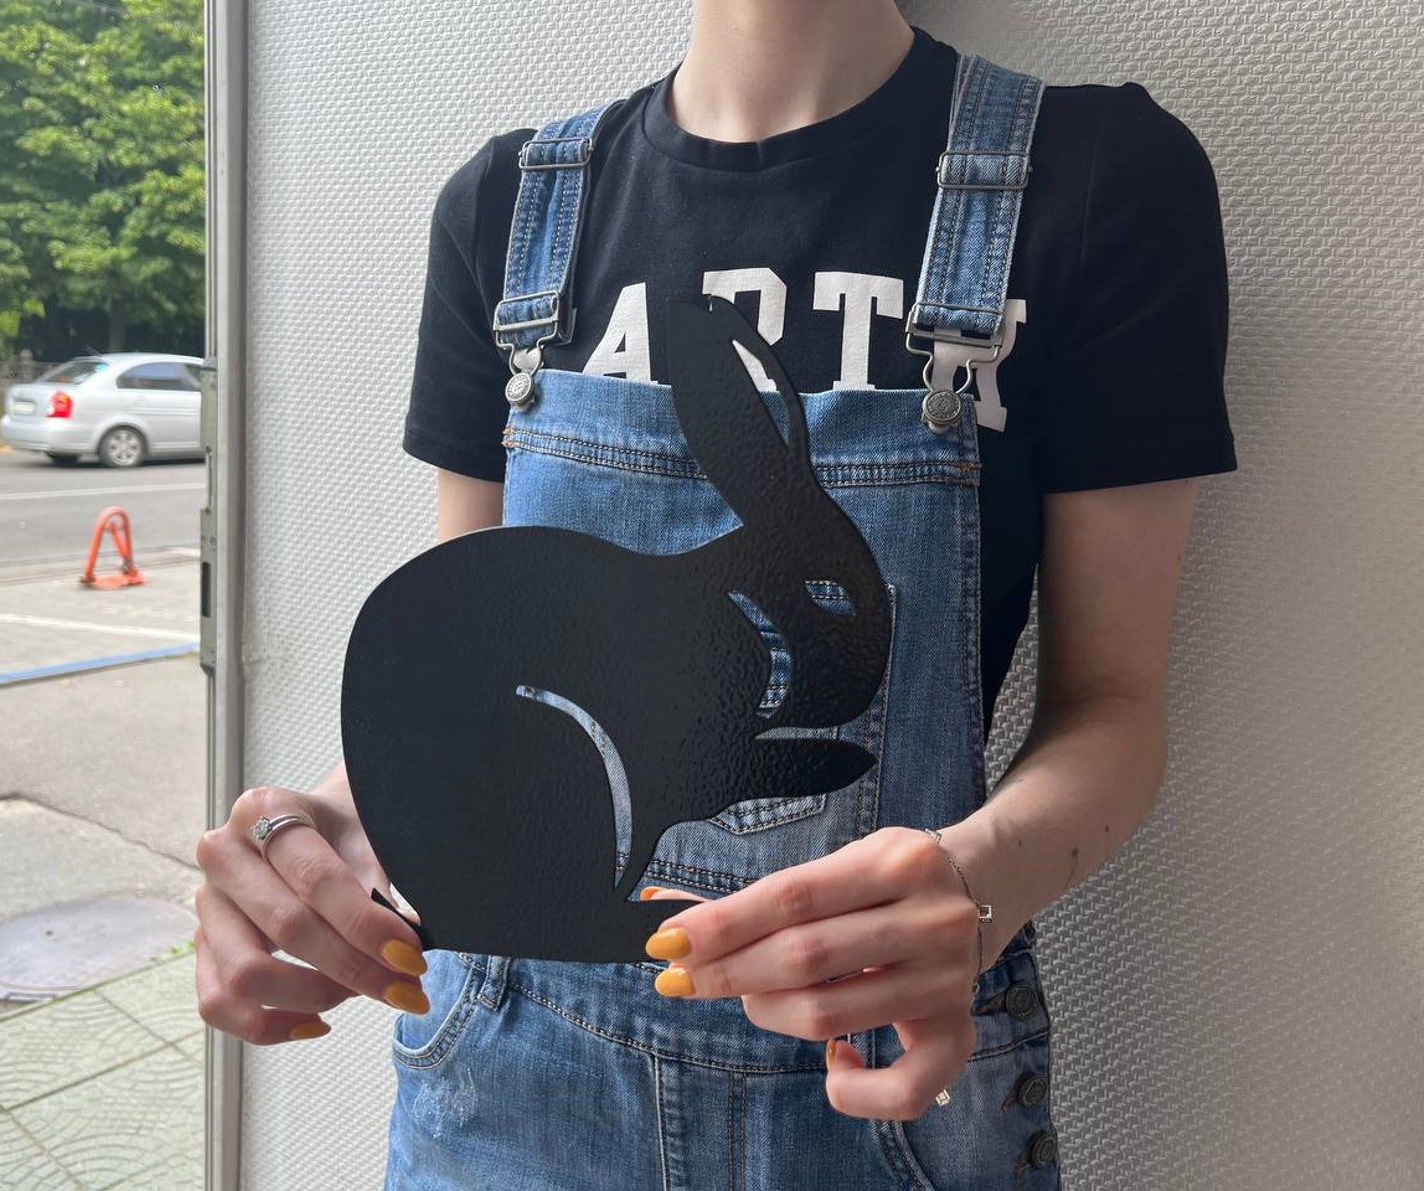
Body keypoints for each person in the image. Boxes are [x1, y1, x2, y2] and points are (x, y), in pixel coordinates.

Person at [194, 2, 1238, 1186]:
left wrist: (975, 884)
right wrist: (330, 830)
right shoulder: (506, 208)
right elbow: (475, 679)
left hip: (879, 1076)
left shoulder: (1094, 182)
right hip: (505, 1080)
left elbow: (1110, 705)